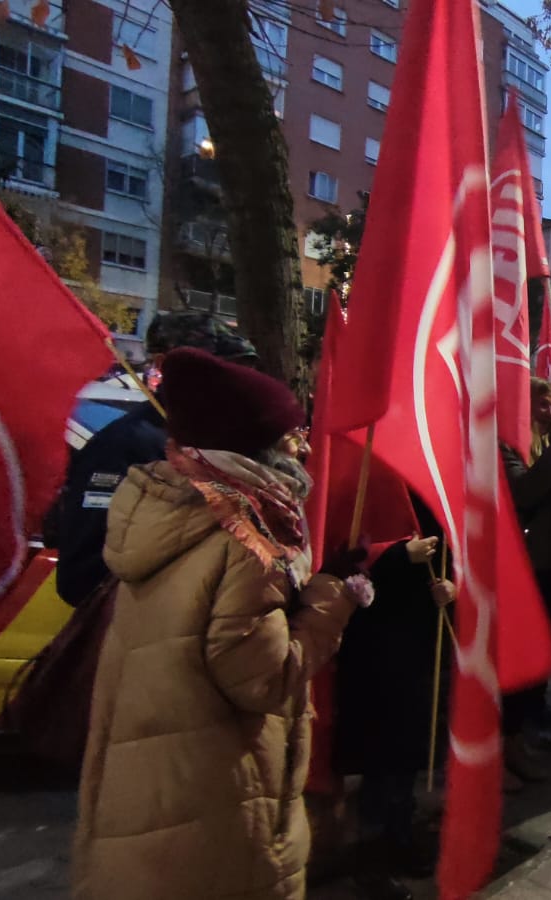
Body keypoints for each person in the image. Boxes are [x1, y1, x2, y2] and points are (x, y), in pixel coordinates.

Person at [72, 348, 367, 900]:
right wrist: (334, 595)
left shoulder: (170, 503)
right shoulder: (245, 538)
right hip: (220, 796)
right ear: (252, 446)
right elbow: (265, 678)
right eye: (290, 436)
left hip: (156, 786)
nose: (303, 446)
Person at [54, 311, 258, 608]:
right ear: (165, 365)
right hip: (140, 643)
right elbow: (81, 577)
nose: (232, 381)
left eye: (237, 368)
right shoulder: (122, 446)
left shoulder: (221, 442)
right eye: (216, 368)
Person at [333, 530, 452, 900]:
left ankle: (399, 837)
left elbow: (449, 554)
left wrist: (450, 589)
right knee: (380, 763)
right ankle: (370, 860)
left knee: (406, 759)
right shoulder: (362, 481)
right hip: (373, 652)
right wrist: (396, 556)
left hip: (418, 646)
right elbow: (338, 560)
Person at [499, 379, 551, 777]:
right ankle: (505, 746)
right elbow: (523, 491)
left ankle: (524, 735)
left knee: (539, 663)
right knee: (517, 665)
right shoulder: (506, 446)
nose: (549, 412)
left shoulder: (549, 448)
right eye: (541, 405)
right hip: (519, 571)